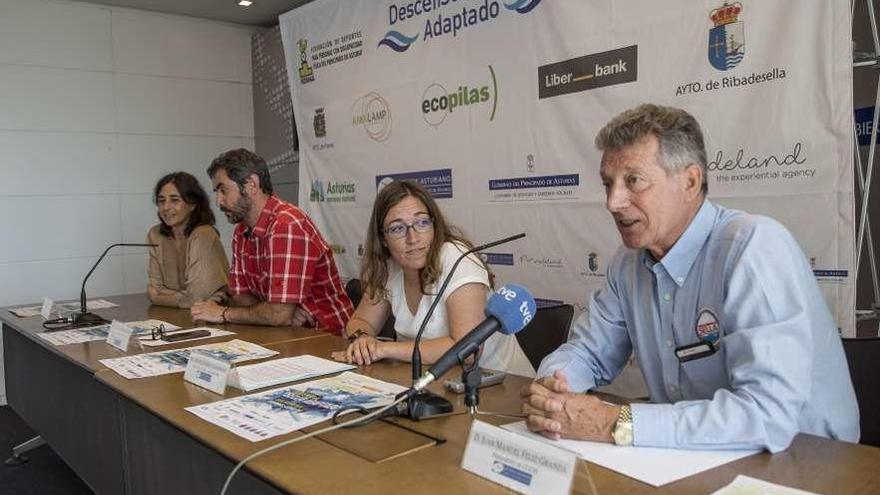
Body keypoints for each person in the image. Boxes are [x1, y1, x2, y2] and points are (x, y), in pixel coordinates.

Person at [521, 104, 859, 453]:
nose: (613, 202)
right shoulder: (627, 263)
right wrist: (554, 387)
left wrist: (615, 424)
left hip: (808, 461)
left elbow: (767, 415)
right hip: (697, 453)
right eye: (608, 183)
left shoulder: (753, 247)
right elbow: (589, 352)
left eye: (633, 181)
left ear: (690, 182)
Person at [333, 180, 534, 377]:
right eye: (397, 228)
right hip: (430, 382)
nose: (413, 238)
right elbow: (360, 320)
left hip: (498, 386)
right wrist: (363, 340)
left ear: (434, 225)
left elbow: (468, 351)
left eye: (421, 223)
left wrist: (384, 349)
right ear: (383, 239)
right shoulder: (390, 266)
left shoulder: (458, 259)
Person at [190, 148, 353, 333]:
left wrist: (223, 313)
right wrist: (277, 311)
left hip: (328, 339)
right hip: (286, 334)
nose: (218, 201)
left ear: (251, 185)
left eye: (223, 190)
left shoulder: (287, 225)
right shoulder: (241, 231)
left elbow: (277, 314)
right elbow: (240, 296)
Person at [147, 172, 228, 308]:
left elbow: (196, 299)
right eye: (161, 201)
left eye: (174, 200)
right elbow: (155, 288)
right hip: (175, 316)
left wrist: (158, 297)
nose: (166, 207)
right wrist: (184, 297)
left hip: (213, 319)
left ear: (192, 204)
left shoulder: (204, 233)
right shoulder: (155, 234)